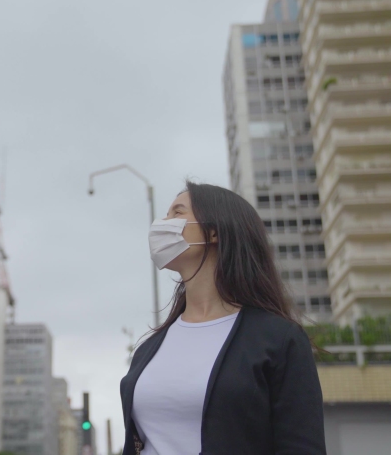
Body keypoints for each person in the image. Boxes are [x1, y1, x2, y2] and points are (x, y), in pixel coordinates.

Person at [119, 182, 325, 455]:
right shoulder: (148, 349)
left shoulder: (278, 339)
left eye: (177, 213)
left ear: (214, 231)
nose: (163, 224)